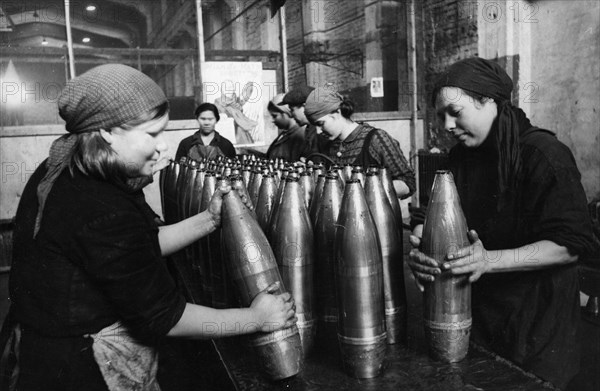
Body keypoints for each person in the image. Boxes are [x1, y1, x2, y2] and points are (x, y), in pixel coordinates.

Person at [4, 64, 296, 391]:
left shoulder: (65, 167)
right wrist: (255, 318)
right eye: (152, 134)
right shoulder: (100, 205)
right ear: (107, 134)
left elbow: (137, 247)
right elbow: (165, 317)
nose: (164, 148)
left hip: (43, 347)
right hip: (82, 367)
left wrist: (210, 218)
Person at [407, 57, 600, 389]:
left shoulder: (542, 155)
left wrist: (490, 260)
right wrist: (424, 242)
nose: (447, 126)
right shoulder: (459, 159)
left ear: (490, 102)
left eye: (456, 112)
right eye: (441, 117)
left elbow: (571, 246)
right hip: (479, 320)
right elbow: (427, 216)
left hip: (536, 328)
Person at [303, 87, 415, 198]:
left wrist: (367, 191)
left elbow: (408, 183)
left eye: (321, 124)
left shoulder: (376, 139)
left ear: (337, 112)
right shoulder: (330, 145)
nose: (318, 131)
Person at [279, 85, 331, 161]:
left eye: (292, 110)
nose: (291, 115)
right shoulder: (310, 129)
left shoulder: (326, 128)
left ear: (305, 107)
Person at [213, 80, 258, 145]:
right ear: (222, 90)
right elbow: (217, 114)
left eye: (231, 87)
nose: (229, 89)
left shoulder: (237, 100)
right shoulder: (218, 101)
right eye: (227, 88)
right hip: (227, 129)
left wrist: (250, 84)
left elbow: (246, 94)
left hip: (240, 128)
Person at [266, 93, 306, 162]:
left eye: (275, 116)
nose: (272, 120)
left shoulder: (299, 136)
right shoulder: (285, 134)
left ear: (286, 113)